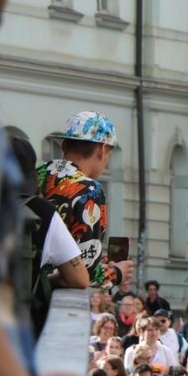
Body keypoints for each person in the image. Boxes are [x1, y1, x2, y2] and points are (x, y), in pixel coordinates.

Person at [37, 110, 133, 289]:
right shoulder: (90, 190)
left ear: (64, 145)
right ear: (103, 149)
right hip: (42, 298)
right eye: (109, 155)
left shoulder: (41, 172)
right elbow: (86, 274)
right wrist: (117, 273)